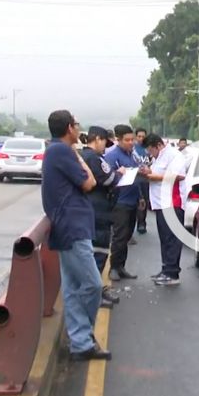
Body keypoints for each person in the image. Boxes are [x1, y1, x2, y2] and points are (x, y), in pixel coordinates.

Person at [41, 110, 110, 361]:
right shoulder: (62, 151)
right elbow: (89, 183)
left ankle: (80, 344)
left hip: (68, 226)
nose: (79, 129)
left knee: (71, 288)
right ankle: (83, 335)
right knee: (92, 284)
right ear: (69, 128)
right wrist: (78, 155)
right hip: (71, 227)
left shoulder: (56, 150)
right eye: (76, 125)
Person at [81, 126, 125, 309]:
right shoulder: (93, 158)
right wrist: (119, 174)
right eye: (104, 143)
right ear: (97, 139)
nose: (105, 148)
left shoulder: (84, 156)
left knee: (95, 254)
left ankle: (96, 291)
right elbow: (109, 179)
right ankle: (93, 296)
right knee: (98, 254)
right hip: (98, 211)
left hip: (93, 210)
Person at [142, 133, 187, 286]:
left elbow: (179, 176)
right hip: (161, 203)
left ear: (158, 145)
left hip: (172, 203)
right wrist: (148, 172)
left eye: (151, 150)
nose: (150, 153)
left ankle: (172, 273)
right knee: (165, 238)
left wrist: (154, 177)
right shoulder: (159, 157)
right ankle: (166, 269)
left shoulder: (174, 155)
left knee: (172, 239)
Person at [104, 124, 141, 281]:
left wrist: (141, 197)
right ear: (118, 140)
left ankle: (121, 266)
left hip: (133, 200)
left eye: (132, 139)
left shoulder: (132, 155)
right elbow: (107, 178)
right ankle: (113, 267)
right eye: (127, 140)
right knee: (119, 236)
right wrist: (117, 173)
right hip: (120, 202)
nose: (131, 142)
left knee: (127, 236)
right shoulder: (112, 156)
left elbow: (137, 176)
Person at [133, 128, 150, 235]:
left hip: (145, 180)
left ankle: (142, 223)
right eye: (139, 136)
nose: (141, 138)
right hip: (135, 179)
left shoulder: (148, 149)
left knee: (144, 202)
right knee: (135, 202)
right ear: (136, 137)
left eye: (143, 136)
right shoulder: (133, 148)